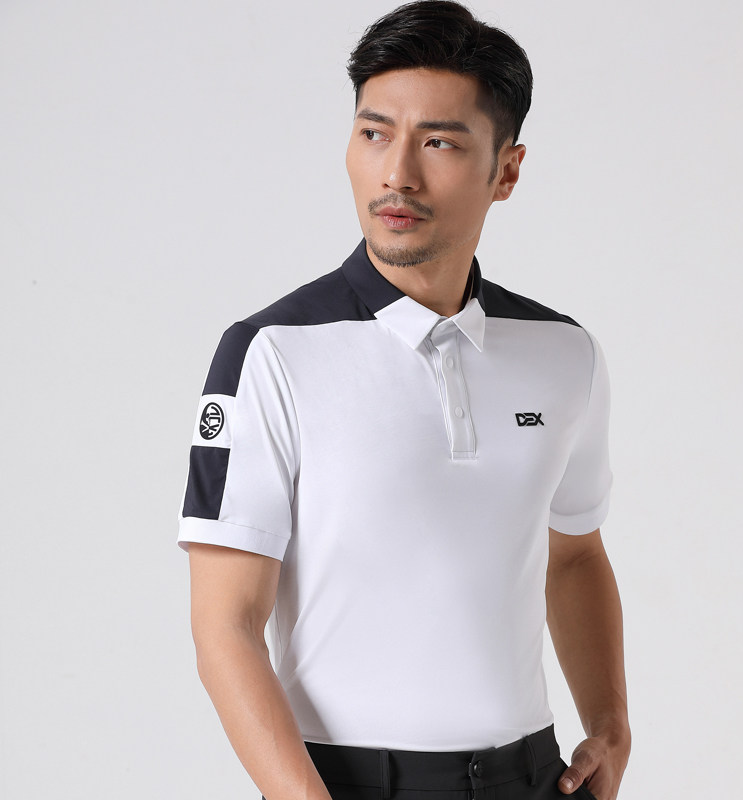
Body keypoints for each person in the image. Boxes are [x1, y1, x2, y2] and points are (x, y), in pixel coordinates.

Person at [178, 2, 631, 799]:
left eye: (440, 142)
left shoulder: (564, 353)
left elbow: (575, 553)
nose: (397, 174)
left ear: (507, 171)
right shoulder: (272, 352)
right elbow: (227, 626)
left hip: (535, 775)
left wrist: (612, 724)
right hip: (347, 782)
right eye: (374, 133)